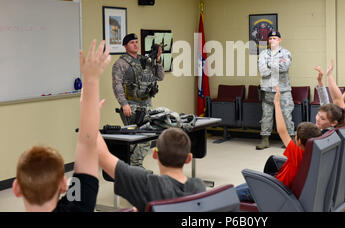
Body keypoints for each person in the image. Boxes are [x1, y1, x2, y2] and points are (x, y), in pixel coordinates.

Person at [13, 40, 111, 211]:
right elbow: (86, 143)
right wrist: (90, 80)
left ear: (16, 188)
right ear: (64, 184)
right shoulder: (78, 207)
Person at [236, 86, 322, 202]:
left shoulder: (298, 154)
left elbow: (282, 130)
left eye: (295, 136)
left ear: (299, 141)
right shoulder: (312, 156)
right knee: (236, 188)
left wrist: (276, 103)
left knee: (230, 194)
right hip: (275, 185)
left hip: (272, 190)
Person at [97, 127, 206, 212]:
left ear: (155, 154)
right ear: (189, 158)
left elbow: (103, 156)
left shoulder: (146, 184)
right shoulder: (199, 187)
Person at [112, 33, 165, 167]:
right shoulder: (121, 63)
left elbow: (160, 76)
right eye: (132, 43)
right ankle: (134, 166)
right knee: (138, 136)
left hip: (146, 103)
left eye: (136, 42)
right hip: (131, 105)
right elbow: (116, 85)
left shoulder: (145, 60)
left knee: (145, 135)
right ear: (125, 46)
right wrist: (124, 104)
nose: (135, 44)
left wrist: (158, 59)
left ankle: (133, 167)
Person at [256, 31, 294, 150]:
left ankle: (290, 140)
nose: (272, 40)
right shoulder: (263, 53)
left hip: (283, 90)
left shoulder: (286, 53)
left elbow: (285, 67)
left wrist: (268, 63)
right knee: (266, 116)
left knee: (286, 115)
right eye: (271, 38)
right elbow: (262, 70)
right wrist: (277, 63)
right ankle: (265, 140)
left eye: (275, 38)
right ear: (268, 40)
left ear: (279, 40)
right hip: (267, 90)